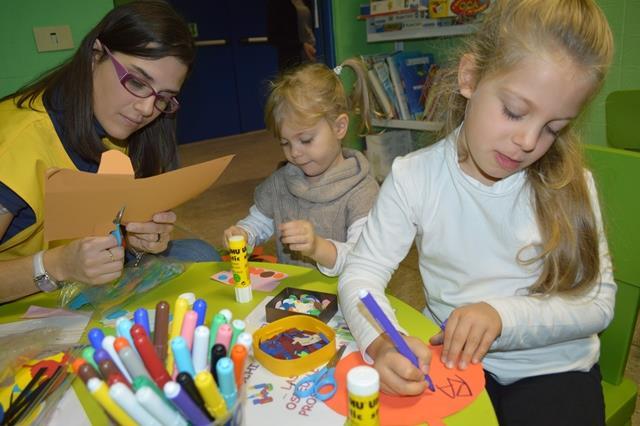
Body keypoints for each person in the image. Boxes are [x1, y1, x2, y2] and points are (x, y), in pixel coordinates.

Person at [338, 0, 615, 424]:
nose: (527, 141)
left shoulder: (571, 183)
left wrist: (501, 316)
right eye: (515, 112)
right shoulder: (414, 176)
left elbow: (597, 304)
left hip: (555, 369)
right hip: (452, 361)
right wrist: (381, 342)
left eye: (553, 129)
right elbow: (361, 274)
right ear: (470, 77)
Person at [0, 0, 220, 304]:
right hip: (27, 292)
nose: (146, 109)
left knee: (201, 254)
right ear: (96, 55)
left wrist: (140, 242)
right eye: (137, 82)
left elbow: (107, 231)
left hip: (85, 280)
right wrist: (56, 265)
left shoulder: (128, 129)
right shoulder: (16, 141)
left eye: (164, 98)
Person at [223, 60, 379, 276]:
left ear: (339, 127)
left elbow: (363, 261)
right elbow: (259, 222)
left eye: (305, 140)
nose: (294, 153)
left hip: (344, 299)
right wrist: (243, 234)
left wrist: (317, 247)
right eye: (285, 143)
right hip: (292, 297)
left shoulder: (362, 191)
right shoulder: (281, 182)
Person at [267, 0, 316, 71]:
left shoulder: (307, 1)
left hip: (313, 52)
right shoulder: (276, 3)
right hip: (292, 58)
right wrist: (301, 45)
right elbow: (273, 37)